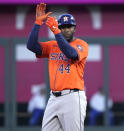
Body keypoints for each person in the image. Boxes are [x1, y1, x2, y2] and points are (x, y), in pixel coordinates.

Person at [26, 3, 88, 131]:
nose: (66, 30)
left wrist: (56, 31)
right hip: (53, 98)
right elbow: (31, 46)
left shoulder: (81, 44)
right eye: (63, 27)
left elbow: (71, 53)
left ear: (74, 28)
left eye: (69, 26)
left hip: (72, 97)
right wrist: (37, 23)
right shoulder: (52, 45)